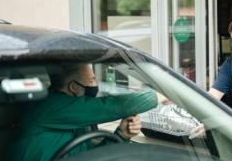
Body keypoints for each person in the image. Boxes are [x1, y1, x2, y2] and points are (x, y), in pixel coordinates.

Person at [8, 64, 158, 161]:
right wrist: (158, 94)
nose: (96, 84)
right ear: (73, 87)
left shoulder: (78, 120)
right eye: (92, 80)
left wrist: (121, 134)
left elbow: (89, 157)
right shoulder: (50, 106)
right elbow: (116, 106)